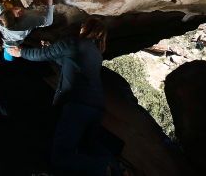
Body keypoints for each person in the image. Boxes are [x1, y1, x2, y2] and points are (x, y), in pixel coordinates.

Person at [8, 18, 124, 176]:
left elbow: (42, 55)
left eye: (83, 25)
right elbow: (67, 61)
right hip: (96, 108)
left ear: (87, 29)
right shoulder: (96, 54)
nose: (80, 27)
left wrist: (20, 52)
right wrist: (52, 49)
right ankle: (115, 167)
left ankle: (104, 167)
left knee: (61, 156)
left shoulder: (74, 42)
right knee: (88, 146)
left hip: (77, 105)